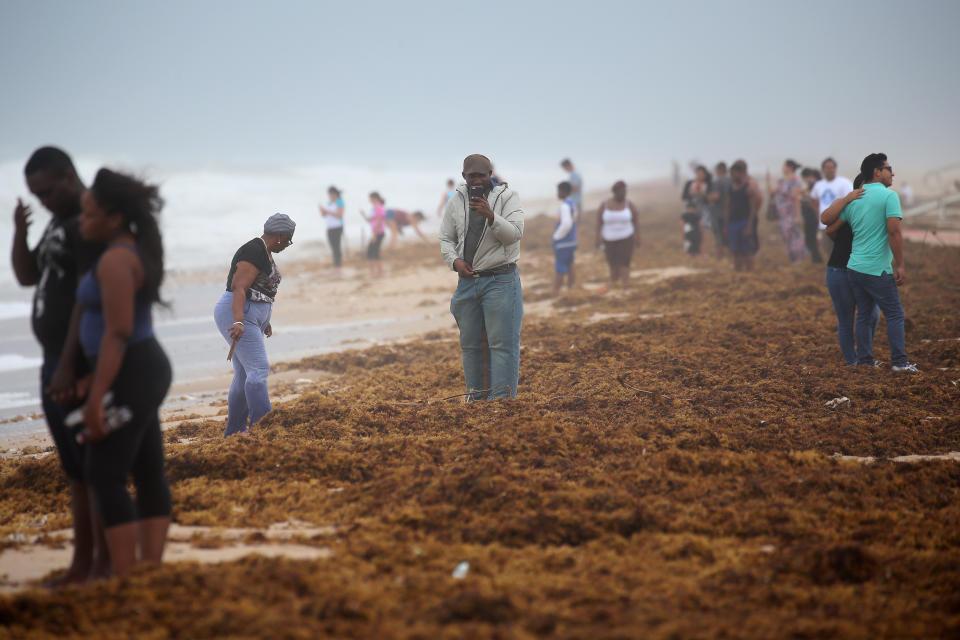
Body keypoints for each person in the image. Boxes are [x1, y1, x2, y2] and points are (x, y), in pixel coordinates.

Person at [10, 147, 109, 585]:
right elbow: (28, 276)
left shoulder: (85, 223)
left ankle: (100, 565)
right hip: (54, 361)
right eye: (36, 195)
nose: (43, 200)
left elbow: (88, 300)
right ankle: (81, 564)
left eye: (47, 191)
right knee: (74, 469)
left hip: (78, 361)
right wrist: (18, 231)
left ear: (69, 176)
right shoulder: (57, 220)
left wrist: (70, 364)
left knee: (93, 467)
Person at [74, 168, 173, 577]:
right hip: (142, 368)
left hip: (133, 369)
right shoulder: (132, 249)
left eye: (88, 214)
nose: (82, 222)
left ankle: (126, 576)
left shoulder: (116, 260)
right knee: (148, 466)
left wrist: (96, 397)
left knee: (104, 472)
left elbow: (118, 333)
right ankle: (146, 572)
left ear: (114, 218)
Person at [439, 154, 524, 400]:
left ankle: (501, 403)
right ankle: (476, 399)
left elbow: (514, 234)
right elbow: (446, 238)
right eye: (471, 175)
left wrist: (491, 216)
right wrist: (455, 262)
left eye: (481, 175)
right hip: (467, 282)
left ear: (490, 175)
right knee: (471, 347)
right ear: (464, 176)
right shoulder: (456, 201)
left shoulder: (508, 197)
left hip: (501, 281)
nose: (476, 180)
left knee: (502, 346)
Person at [827, 153, 917, 371]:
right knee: (895, 314)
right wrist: (901, 264)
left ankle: (865, 361)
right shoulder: (889, 196)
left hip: (854, 268)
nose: (892, 173)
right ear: (877, 172)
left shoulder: (855, 199)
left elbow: (829, 227)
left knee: (864, 315)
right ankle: (900, 363)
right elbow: (894, 232)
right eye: (889, 168)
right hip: (877, 268)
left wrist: (844, 200)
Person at [214, 213, 296, 436]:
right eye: (288, 239)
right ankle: (263, 426)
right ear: (278, 235)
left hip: (251, 316)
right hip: (238, 313)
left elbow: (261, 291)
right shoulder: (253, 250)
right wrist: (239, 320)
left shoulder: (265, 252)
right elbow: (239, 288)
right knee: (259, 369)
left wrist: (265, 321)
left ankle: (235, 432)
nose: (288, 244)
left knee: (244, 374)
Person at [820, 175, 877, 365]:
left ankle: (864, 357)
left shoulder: (876, 207)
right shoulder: (846, 205)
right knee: (846, 318)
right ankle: (852, 362)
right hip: (840, 268)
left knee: (872, 315)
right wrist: (846, 200)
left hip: (864, 270)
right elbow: (826, 224)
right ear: (858, 187)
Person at [596, 181, 641, 284]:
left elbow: (635, 221)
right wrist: (597, 238)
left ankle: (625, 283)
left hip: (626, 237)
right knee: (612, 263)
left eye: (625, 191)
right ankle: (614, 283)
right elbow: (599, 222)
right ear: (615, 192)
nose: (624, 193)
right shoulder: (605, 205)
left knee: (625, 262)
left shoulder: (629, 204)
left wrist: (637, 236)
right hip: (609, 239)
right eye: (621, 191)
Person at [767, 159, 808, 263]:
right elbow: (772, 192)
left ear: (789, 167)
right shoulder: (781, 181)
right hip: (782, 213)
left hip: (791, 212)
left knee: (794, 234)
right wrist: (768, 180)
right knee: (786, 235)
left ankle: (799, 257)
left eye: (784, 166)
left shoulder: (795, 181)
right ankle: (793, 257)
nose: (782, 168)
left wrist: (797, 216)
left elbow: (796, 198)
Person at [810, 158, 854, 255]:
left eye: (831, 167)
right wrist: (818, 215)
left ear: (835, 168)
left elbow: (851, 200)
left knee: (843, 250)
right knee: (827, 250)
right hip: (824, 224)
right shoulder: (819, 185)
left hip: (841, 223)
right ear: (823, 169)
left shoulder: (844, 183)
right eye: (827, 167)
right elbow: (813, 199)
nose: (829, 170)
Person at [724, 160, 762, 272]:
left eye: (734, 173)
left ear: (741, 173)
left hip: (744, 222)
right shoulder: (731, 188)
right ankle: (738, 272)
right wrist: (726, 225)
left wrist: (749, 226)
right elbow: (728, 207)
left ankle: (749, 272)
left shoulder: (748, 188)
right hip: (733, 223)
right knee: (735, 251)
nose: (732, 176)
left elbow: (753, 208)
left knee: (747, 250)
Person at [552, 181, 577, 293]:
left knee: (560, 266)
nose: (557, 193)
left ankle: (556, 291)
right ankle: (570, 288)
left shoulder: (564, 206)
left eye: (559, 191)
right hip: (572, 240)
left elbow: (566, 224)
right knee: (570, 264)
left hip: (563, 242)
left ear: (564, 192)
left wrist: (557, 237)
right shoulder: (572, 203)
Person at [681, 166, 711, 257]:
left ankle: (701, 250)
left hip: (703, 211)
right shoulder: (690, 183)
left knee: (702, 230)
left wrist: (703, 195)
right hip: (690, 211)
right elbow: (684, 197)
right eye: (698, 173)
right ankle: (689, 250)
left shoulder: (708, 184)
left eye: (701, 174)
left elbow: (710, 199)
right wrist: (691, 194)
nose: (699, 175)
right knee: (688, 231)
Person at [800, 168, 825, 263]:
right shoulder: (809, 188)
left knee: (812, 238)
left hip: (814, 215)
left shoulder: (817, 187)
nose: (807, 179)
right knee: (809, 238)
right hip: (808, 216)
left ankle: (817, 258)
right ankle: (816, 257)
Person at [707, 162, 731, 258]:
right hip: (730, 213)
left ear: (718, 170)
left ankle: (720, 257)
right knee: (729, 237)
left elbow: (715, 197)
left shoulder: (718, 182)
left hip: (719, 213)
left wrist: (707, 196)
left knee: (719, 238)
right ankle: (731, 257)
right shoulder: (731, 181)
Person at [318, 186, 344, 274]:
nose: (328, 195)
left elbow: (340, 215)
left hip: (337, 227)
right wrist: (322, 210)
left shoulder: (339, 202)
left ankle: (338, 268)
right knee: (333, 248)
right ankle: (336, 267)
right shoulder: (329, 203)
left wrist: (327, 211)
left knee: (337, 247)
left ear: (333, 194)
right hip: (330, 228)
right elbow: (324, 215)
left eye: (329, 193)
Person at [359, 192, 386, 277]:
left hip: (378, 232)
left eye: (370, 198)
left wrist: (374, 234)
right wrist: (363, 215)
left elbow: (379, 221)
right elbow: (371, 220)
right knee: (373, 252)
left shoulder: (378, 207)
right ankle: (375, 272)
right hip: (376, 232)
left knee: (372, 253)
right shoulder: (374, 208)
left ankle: (376, 272)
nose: (369, 200)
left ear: (374, 198)